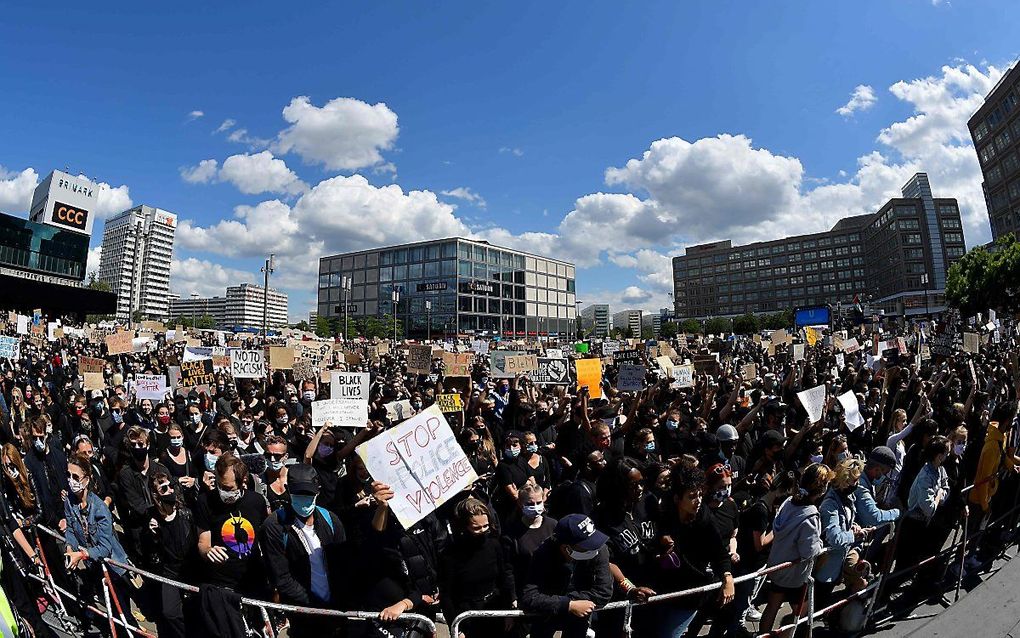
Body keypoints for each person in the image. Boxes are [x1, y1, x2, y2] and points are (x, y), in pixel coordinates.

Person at [260, 464, 348, 637]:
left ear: (318, 491)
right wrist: (312, 605)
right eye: (298, 495)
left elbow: (343, 565)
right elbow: (282, 577)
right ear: (288, 490)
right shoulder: (274, 526)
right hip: (302, 612)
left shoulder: (331, 521)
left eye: (308, 495)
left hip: (335, 610)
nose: (304, 500)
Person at [652, 462, 734, 638]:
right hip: (662, 590)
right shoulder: (663, 515)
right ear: (676, 499)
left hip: (690, 594)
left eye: (699, 495)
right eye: (691, 497)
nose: (698, 501)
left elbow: (720, 554)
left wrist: (728, 579)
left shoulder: (705, 519)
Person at [63, 452, 135, 635]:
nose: (71, 481)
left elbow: (105, 547)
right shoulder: (70, 502)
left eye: (76, 477)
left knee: (123, 611)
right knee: (108, 606)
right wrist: (70, 548)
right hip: (94, 565)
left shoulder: (100, 509)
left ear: (87, 479)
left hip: (112, 566)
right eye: (69, 476)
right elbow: (71, 528)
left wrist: (82, 554)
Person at [759, 463, 833, 637]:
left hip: (777, 565)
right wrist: (821, 545)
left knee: (772, 606)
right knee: (802, 610)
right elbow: (809, 551)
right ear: (821, 489)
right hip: (794, 574)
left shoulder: (788, 502)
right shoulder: (811, 515)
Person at [521, 513, 613, 638]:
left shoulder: (600, 549)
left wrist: (570, 601)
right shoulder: (543, 554)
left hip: (580, 618)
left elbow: (603, 592)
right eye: (586, 547)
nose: (594, 549)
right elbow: (530, 597)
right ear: (566, 548)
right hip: (547, 617)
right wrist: (568, 604)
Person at [439, 497, 516, 638]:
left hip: (495, 610)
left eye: (486, 526)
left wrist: (508, 612)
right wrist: (456, 628)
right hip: (468, 617)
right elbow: (447, 595)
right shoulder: (451, 554)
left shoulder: (494, 545)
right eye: (476, 528)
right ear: (464, 526)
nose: (483, 531)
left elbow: (503, 578)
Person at [194, 453, 269, 595]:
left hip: (252, 576)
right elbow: (203, 542)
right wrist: (209, 551)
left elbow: (264, 538)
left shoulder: (256, 501)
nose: (225, 492)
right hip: (221, 581)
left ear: (242, 482)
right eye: (221, 486)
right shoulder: (205, 502)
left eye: (229, 489)